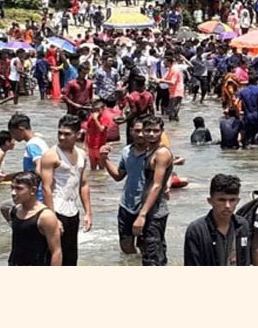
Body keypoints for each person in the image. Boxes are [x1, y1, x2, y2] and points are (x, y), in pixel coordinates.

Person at [39, 114, 92, 266]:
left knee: (71, 257)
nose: (62, 137)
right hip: (55, 209)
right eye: (59, 133)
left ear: (78, 134)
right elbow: (46, 188)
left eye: (67, 134)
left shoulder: (82, 154)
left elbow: (83, 184)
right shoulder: (50, 155)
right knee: (52, 256)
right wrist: (52, 217)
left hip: (73, 212)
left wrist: (88, 213)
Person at [99, 121, 148, 255]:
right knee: (125, 247)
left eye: (144, 131)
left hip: (147, 207)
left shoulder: (155, 153)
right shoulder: (127, 151)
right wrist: (105, 159)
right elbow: (118, 176)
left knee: (147, 248)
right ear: (131, 131)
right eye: (136, 131)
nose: (140, 134)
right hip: (126, 205)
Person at [132, 116, 174, 266]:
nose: (151, 134)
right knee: (151, 252)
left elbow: (156, 185)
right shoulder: (151, 150)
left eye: (155, 131)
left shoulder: (161, 153)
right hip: (150, 209)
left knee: (153, 256)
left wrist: (142, 215)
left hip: (155, 212)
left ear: (162, 132)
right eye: (148, 130)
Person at [184, 173, 251, 266]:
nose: (227, 206)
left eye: (232, 200)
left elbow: (245, 261)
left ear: (238, 201)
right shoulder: (197, 230)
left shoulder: (242, 226)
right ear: (210, 201)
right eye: (222, 200)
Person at [7, 171, 62, 266]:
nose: (13, 193)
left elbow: (56, 251)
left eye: (19, 189)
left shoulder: (45, 216)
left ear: (33, 190)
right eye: (12, 188)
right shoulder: (15, 211)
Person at [238, 72, 258, 146]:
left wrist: (238, 111)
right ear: (256, 81)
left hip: (247, 116)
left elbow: (235, 102)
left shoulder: (242, 91)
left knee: (247, 134)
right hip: (257, 115)